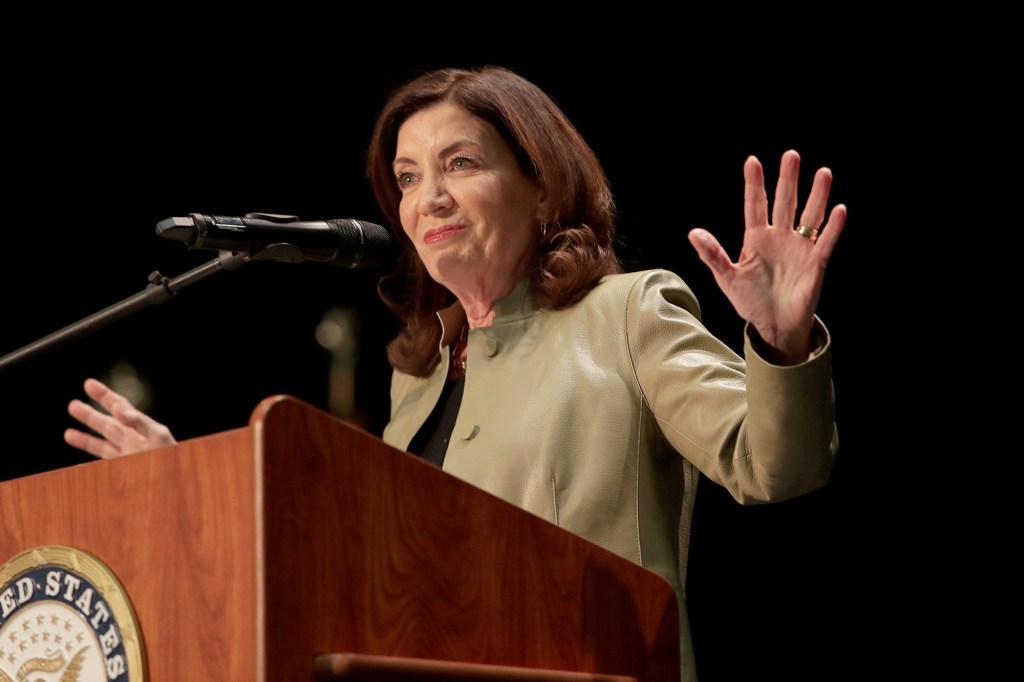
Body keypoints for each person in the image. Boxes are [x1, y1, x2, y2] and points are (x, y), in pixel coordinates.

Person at [64, 65, 846, 681]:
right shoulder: (420, 375)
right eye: (405, 178)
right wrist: (189, 485)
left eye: (459, 162)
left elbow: (776, 466)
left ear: (541, 187)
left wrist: (780, 345)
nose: (427, 197)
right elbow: (355, 577)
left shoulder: (627, 314)